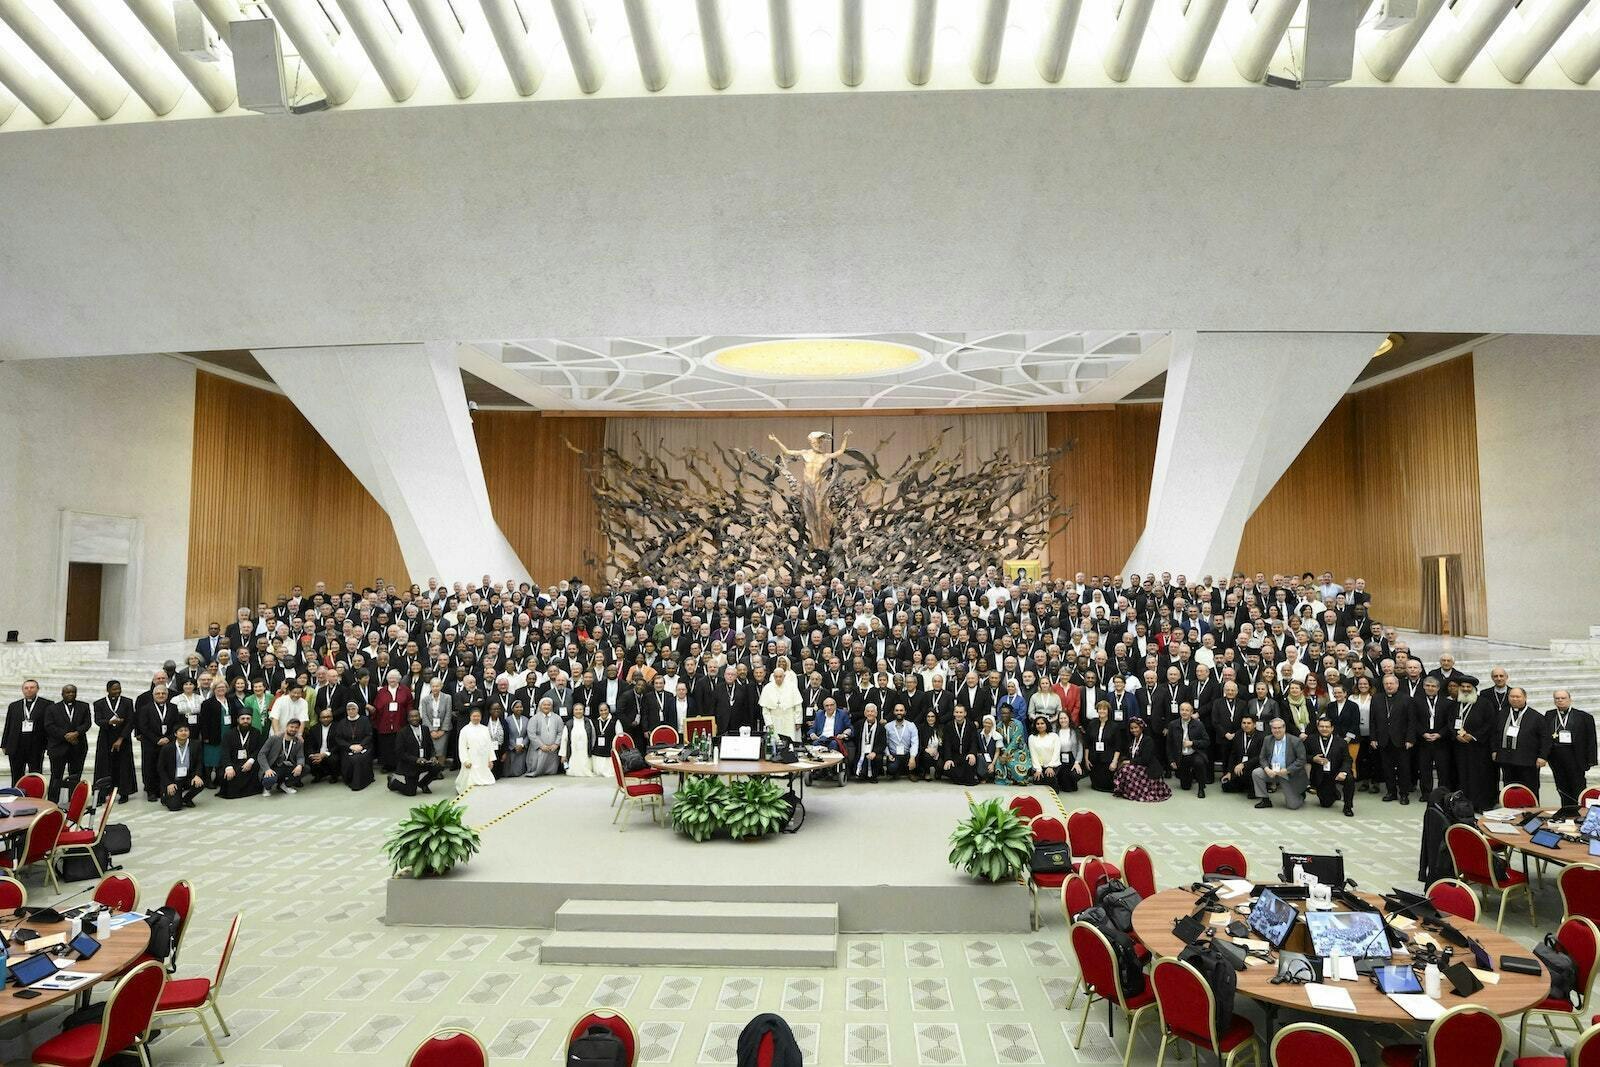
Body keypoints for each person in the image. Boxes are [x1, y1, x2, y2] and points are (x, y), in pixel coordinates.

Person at [1493, 686, 1549, 798]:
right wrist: (1494, 750)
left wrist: (1542, 756)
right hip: (1506, 759)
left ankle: (1531, 812)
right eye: (1512, 696)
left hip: (1527, 761)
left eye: (1518, 696)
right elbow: (1494, 733)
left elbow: (1545, 738)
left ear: (1525, 697)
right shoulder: (1501, 714)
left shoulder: (1536, 716)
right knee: (1509, 788)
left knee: (1530, 789)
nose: (1515, 699)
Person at [1546, 690, 1597, 810]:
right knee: (1561, 787)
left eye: (1563, 698)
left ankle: (1579, 811)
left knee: (1577, 786)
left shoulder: (1584, 717)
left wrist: (1591, 760)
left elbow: (1591, 739)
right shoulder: (1549, 715)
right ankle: (1566, 810)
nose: (1560, 700)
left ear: (1569, 699)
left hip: (1575, 758)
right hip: (1556, 758)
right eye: (1557, 698)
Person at [1372, 675, 1417, 805]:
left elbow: (1411, 721)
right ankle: (1391, 792)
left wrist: (1410, 739)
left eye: (1391, 683)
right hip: (1383, 739)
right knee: (1387, 768)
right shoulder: (1377, 698)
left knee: (1403, 768)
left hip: (1401, 740)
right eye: (1386, 684)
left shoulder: (1406, 699)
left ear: (1397, 685)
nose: (1389, 686)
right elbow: (1373, 720)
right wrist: (1373, 738)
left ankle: (1404, 794)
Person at [44, 684, 90, 806]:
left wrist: (76, 733)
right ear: (62, 694)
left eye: (73, 692)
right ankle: (53, 801)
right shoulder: (52, 708)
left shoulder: (84, 706)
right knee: (56, 775)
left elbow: (87, 723)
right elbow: (49, 725)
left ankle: (74, 800)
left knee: (75, 775)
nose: (70, 694)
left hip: (78, 746)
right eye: (67, 692)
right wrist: (66, 735)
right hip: (58, 747)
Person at [92, 681, 137, 804]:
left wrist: (121, 738)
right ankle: (102, 793)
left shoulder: (127, 702)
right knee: (104, 765)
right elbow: (98, 720)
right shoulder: (99, 703)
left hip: (123, 738)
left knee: (123, 765)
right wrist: (110, 722)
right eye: (114, 689)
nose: (117, 691)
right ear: (108, 690)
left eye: (119, 689)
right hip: (105, 738)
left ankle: (124, 792)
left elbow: (130, 721)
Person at [135, 683, 180, 803]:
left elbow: (176, 725)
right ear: (153, 695)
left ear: (167, 695)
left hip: (168, 743)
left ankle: (164, 789)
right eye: (158, 693)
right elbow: (143, 727)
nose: (161, 695)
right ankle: (151, 791)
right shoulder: (145, 708)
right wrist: (157, 740)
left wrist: (168, 738)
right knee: (150, 767)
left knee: (167, 766)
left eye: (163, 693)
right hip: (151, 743)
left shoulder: (173, 708)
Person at [1413, 677, 1457, 796]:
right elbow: (1414, 720)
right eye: (1427, 685)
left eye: (1433, 686)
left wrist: (1440, 734)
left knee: (1443, 769)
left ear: (1438, 688)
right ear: (1423, 687)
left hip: (1441, 741)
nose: (1430, 688)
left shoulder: (1447, 703)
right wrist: (1423, 733)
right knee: (1424, 768)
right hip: (1424, 740)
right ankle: (1426, 793)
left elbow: (1450, 722)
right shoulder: (1416, 701)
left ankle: (1441, 793)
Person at [1253, 717, 1308, 810]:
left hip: (1288, 774)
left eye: (1279, 728)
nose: (1277, 730)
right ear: (1271, 729)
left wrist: (1287, 770)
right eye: (1274, 728)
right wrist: (1266, 768)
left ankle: (1301, 794)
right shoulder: (1267, 739)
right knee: (1256, 773)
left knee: (1293, 806)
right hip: (1272, 772)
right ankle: (1265, 800)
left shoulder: (1295, 741)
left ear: (1284, 728)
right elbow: (1262, 757)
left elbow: (1302, 760)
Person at [3, 679, 49, 785]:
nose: (29, 690)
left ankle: (35, 796)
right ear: (22, 690)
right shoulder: (14, 705)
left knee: (35, 774)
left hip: (36, 745)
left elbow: (48, 725)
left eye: (32, 687)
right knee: (16, 774)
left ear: (37, 689)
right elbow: (8, 725)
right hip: (17, 745)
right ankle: (17, 795)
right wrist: (4, 744)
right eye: (26, 688)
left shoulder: (46, 704)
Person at [1113, 718, 1170, 802]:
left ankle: (1136, 793)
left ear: (1141, 728)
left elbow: (1145, 759)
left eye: (1136, 727)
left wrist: (1129, 762)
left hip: (1148, 767)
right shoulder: (1133, 740)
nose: (1133, 730)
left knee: (1126, 769)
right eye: (1131, 728)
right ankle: (1126, 791)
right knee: (1122, 767)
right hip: (1137, 765)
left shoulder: (1148, 740)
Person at [1307, 715, 1354, 817]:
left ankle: (1348, 806)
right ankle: (1334, 792)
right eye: (1321, 726)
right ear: (1318, 727)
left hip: (1336, 772)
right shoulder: (1311, 740)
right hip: (1320, 774)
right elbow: (1302, 756)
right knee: (1326, 804)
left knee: (1349, 778)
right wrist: (1312, 759)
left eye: (1327, 727)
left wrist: (1343, 772)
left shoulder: (1341, 742)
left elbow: (1348, 759)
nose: (1324, 729)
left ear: (1332, 728)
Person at [157, 723, 207, 811]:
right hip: (173, 780)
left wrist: (197, 775)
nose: (184, 733)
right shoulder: (167, 748)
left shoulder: (196, 744)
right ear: (175, 734)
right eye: (181, 731)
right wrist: (168, 783)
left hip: (188, 777)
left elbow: (199, 762)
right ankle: (166, 797)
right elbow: (161, 768)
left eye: (186, 730)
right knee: (174, 807)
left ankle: (187, 799)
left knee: (200, 783)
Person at [1166, 702, 1211, 797]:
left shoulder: (1199, 725)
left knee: (1199, 763)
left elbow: (1206, 741)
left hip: (1195, 753)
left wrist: (1192, 743)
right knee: (1185, 786)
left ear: (1191, 712)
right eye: (1182, 710)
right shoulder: (1173, 725)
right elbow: (1169, 745)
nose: (1184, 712)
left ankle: (1201, 788)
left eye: (1187, 710)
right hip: (1181, 756)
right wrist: (1171, 760)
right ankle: (1190, 776)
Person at [217, 708, 263, 799]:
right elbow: (224, 752)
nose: (245, 721)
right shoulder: (229, 734)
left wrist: (250, 761)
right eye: (243, 719)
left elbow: (259, 749)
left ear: (251, 720)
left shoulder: (256, 732)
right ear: (238, 720)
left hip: (249, 762)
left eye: (248, 718)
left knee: (253, 769)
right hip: (233, 762)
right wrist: (228, 767)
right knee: (229, 775)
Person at [330, 701, 376, 791]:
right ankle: (349, 780)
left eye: (353, 709)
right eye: (348, 709)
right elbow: (339, 739)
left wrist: (361, 746)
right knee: (350, 759)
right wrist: (350, 746)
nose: (351, 711)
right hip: (347, 747)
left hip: (364, 746)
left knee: (358, 759)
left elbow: (369, 735)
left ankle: (359, 783)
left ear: (357, 710)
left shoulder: (365, 720)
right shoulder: (342, 722)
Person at [373, 670, 411, 773]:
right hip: (384, 722)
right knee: (386, 744)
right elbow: (377, 706)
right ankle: (387, 765)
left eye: (394, 677)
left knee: (399, 744)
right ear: (387, 679)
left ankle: (399, 765)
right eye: (390, 678)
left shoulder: (405, 690)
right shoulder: (381, 691)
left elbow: (409, 705)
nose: (392, 680)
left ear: (399, 679)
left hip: (400, 722)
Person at [1219, 713, 1264, 794]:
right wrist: (1229, 772)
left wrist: (1244, 764)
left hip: (1253, 767)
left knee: (1251, 793)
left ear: (1254, 725)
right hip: (1239, 767)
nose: (1246, 725)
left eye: (1249, 723)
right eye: (1244, 723)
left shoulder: (1261, 736)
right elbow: (1233, 754)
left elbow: (1260, 757)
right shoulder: (1238, 735)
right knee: (1226, 786)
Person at [259, 719, 305, 794]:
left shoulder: (298, 742)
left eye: (296, 727)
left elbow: (301, 756)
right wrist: (267, 769)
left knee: (305, 768)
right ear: (286, 727)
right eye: (291, 727)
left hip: (287, 766)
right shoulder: (274, 738)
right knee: (269, 779)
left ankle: (285, 785)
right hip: (272, 767)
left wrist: (299, 765)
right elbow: (261, 754)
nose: (293, 729)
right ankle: (267, 788)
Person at [1083, 700, 1122, 792]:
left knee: (1107, 785)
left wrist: (1114, 762)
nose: (1102, 711)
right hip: (1094, 759)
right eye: (1100, 709)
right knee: (1096, 785)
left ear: (1108, 711)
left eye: (1104, 709)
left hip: (1108, 760)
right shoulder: (1092, 723)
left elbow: (1118, 746)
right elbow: (1087, 743)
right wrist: (1086, 759)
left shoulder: (1114, 726)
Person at [456, 708, 497, 791]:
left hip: (483, 759)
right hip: (471, 758)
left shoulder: (485, 729)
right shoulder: (465, 730)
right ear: (470, 717)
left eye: (478, 716)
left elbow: (489, 745)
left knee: (485, 783)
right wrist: (465, 760)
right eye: (474, 716)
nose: (476, 718)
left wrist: (491, 759)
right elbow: (462, 747)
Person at [940, 704, 980, 785]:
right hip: (954, 755)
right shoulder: (948, 726)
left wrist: (972, 753)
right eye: (956, 712)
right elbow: (946, 744)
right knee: (949, 768)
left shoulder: (971, 725)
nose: (958, 714)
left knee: (970, 765)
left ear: (965, 713)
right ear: (953, 713)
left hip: (966, 754)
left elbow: (974, 742)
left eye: (961, 712)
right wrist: (948, 759)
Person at [992, 703, 1030, 785]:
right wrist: (1003, 753)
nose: (1003, 715)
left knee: (1011, 761)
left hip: (1018, 750)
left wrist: (1006, 754)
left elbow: (1015, 741)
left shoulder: (1018, 724)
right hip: (1005, 749)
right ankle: (1005, 780)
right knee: (999, 761)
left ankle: (1021, 779)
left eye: (1006, 713)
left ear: (1011, 714)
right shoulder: (999, 725)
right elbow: (999, 741)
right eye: (1002, 713)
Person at [526, 697, 564, 777]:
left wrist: (556, 744)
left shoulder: (557, 718)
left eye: (548, 705)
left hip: (553, 749)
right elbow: (531, 734)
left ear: (552, 706)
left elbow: (561, 732)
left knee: (552, 771)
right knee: (538, 767)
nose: (546, 707)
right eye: (544, 705)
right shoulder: (534, 718)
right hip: (540, 748)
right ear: (540, 706)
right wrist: (541, 746)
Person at [419, 678, 453, 764]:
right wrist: (431, 730)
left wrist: (443, 730)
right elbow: (424, 715)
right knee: (431, 750)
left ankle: (440, 768)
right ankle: (432, 769)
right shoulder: (425, 699)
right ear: (430, 687)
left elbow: (448, 714)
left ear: (441, 686)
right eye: (433, 686)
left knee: (441, 750)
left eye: (437, 686)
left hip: (443, 729)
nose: (435, 688)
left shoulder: (447, 698)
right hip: (430, 729)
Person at [304, 708, 342, 784]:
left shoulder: (338, 727)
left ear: (332, 717)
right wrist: (312, 754)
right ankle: (318, 775)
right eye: (323, 717)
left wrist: (325, 754)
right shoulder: (314, 728)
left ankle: (334, 776)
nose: (326, 719)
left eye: (328, 717)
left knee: (333, 759)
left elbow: (339, 744)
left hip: (332, 752)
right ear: (320, 718)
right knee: (309, 758)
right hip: (318, 752)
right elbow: (309, 744)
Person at [562, 703, 600, 777]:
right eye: (576, 709)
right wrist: (563, 755)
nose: (578, 711)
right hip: (573, 751)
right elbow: (564, 740)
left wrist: (591, 747)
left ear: (583, 711)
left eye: (580, 709)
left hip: (585, 750)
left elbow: (593, 736)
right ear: (573, 711)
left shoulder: (588, 722)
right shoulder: (569, 723)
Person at [853, 704, 886, 782]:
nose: (870, 713)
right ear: (864, 713)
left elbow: (883, 743)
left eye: (872, 711)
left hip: (874, 752)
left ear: (876, 714)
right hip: (861, 751)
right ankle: (862, 773)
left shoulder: (881, 728)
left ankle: (873, 775)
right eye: (868, 711)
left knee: (876, 758)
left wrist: (875, 752)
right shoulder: (858, 725)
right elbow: (855, 739)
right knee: (859, 774)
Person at [1027, 714, 1061, 789]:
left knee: (1049, 777)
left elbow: (1056, 753)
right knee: (1038, 779)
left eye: (1042, 723)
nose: (1040, 725)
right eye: (1037, 724)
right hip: (1038, 766)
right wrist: (1038, 769)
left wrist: (1050, 766)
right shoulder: (1032, 737)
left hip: (1053, 765)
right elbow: (1033, 755)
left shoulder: (1054, 736)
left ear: (1046, 724)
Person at [884, 703, 917, 779]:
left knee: (916, 755)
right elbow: (884, 743)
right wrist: (888, 755)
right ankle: (898, 771)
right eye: (897, 710)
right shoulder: (888, 726)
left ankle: (911, 772)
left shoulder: (911, 726)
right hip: (894, 755)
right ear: (894, 712)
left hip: (907, 754)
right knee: (892, 768)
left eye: (901, 710)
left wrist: (912, 757)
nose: (899, 712)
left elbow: (915, 743)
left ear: (905, 712)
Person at [501, 700, 531, 777]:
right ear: (512, 709)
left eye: (521, 707)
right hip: (512, 747)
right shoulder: (508, 720)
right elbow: (507, 735)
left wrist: (522, 744)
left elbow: (528, 734)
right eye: (517, 707)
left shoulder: (526, 719)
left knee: (521, 766)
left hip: (522, 747)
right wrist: (514, 745)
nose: (519, 709)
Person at [915, 707, 941, 781]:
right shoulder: (921, 728)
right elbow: (918, 744)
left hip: (938, 753)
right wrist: (926, 749)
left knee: (940, 763)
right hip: (925, 753)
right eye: (928, 716)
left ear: (936, 717)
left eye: (932, 716)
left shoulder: (941, 728)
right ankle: (926, 772)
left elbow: (944, 744)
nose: (930, 718)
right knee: (926, 757)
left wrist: (937, 751)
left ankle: (938, 772)